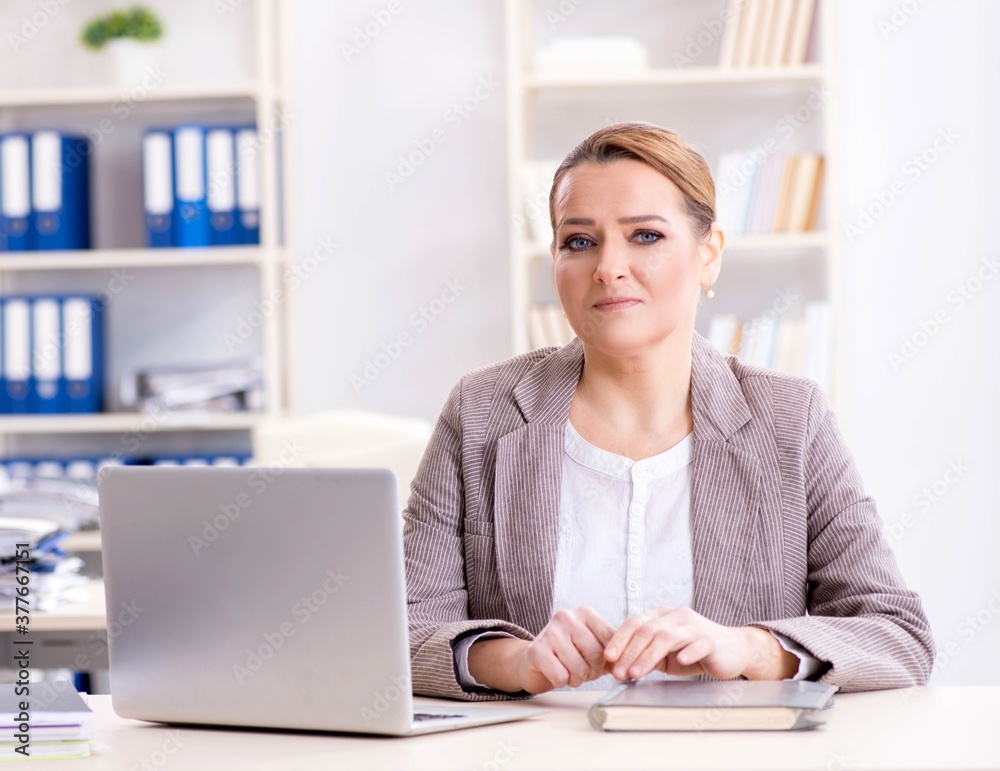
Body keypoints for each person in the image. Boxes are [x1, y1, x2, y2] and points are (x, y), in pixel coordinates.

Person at [404, 121, 934, 700]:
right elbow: (403, 635)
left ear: (708, 255)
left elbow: (897, 637)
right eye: (579, 241)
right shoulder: (480, 413)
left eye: (646, 236)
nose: (608, 267)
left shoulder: (791, 419)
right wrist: (518, 661)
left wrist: (750, 648)